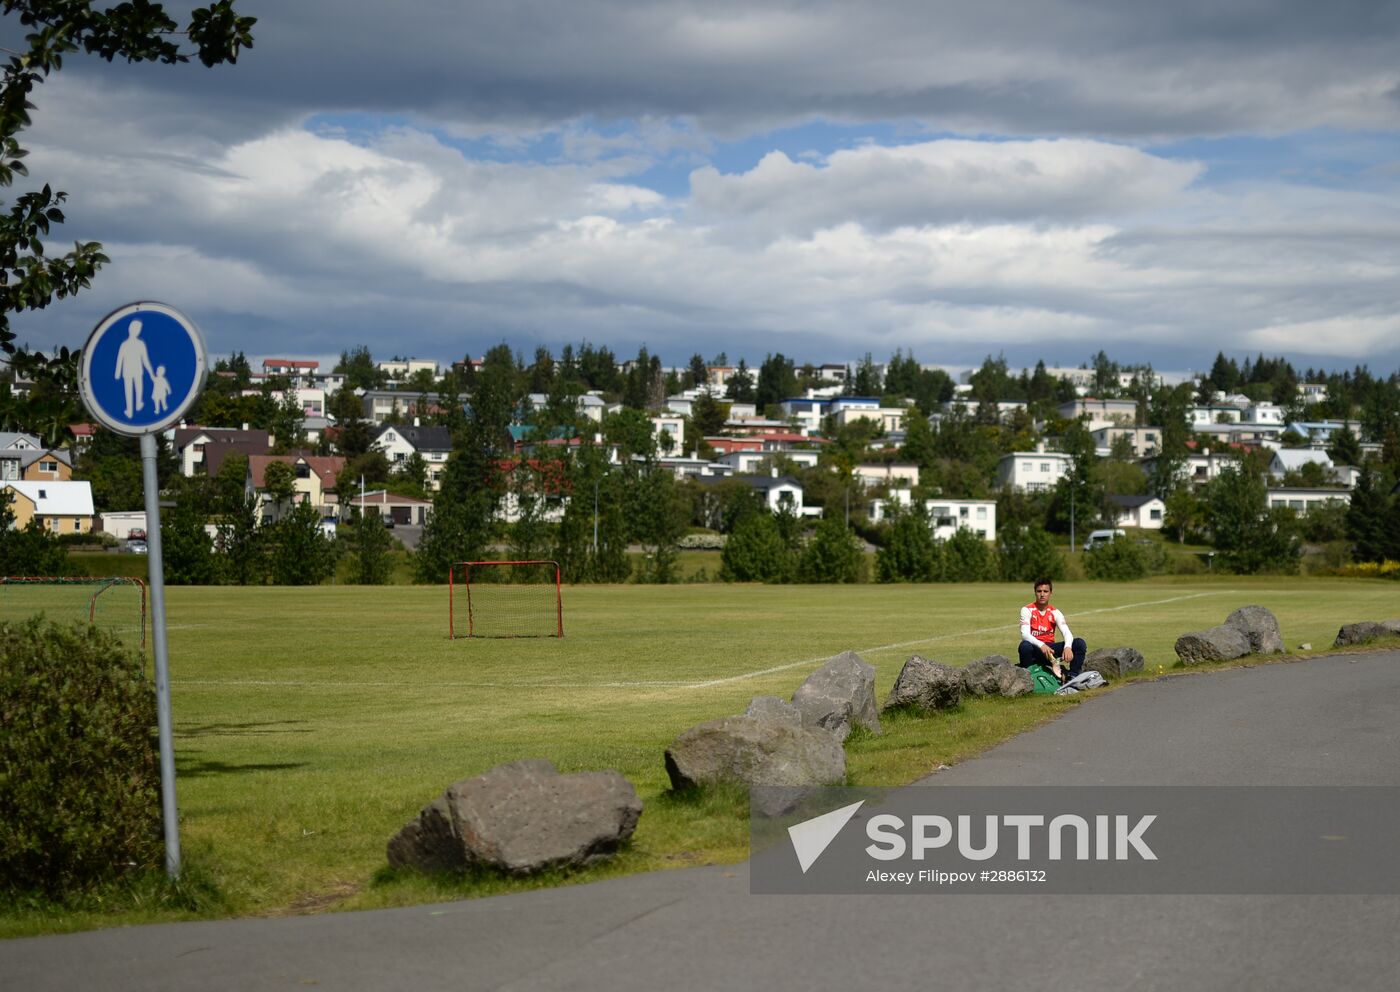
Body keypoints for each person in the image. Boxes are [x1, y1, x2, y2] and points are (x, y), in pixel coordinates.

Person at [1018, 577, 1086, 682]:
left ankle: (1072, 677)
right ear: (1035, 593)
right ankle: (1029, 679)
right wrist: (1041, 645)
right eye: (1039, 591)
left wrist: (1068, 647)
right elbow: (1025, 635)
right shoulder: (1027, 610)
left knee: (1079, 643)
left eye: (1045, 591)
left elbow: (1067, 633)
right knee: (1024, 646)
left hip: (1050, 651)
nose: (1042, 594)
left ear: (1050, 593)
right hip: (1035, 649)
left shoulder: (1055, 612)